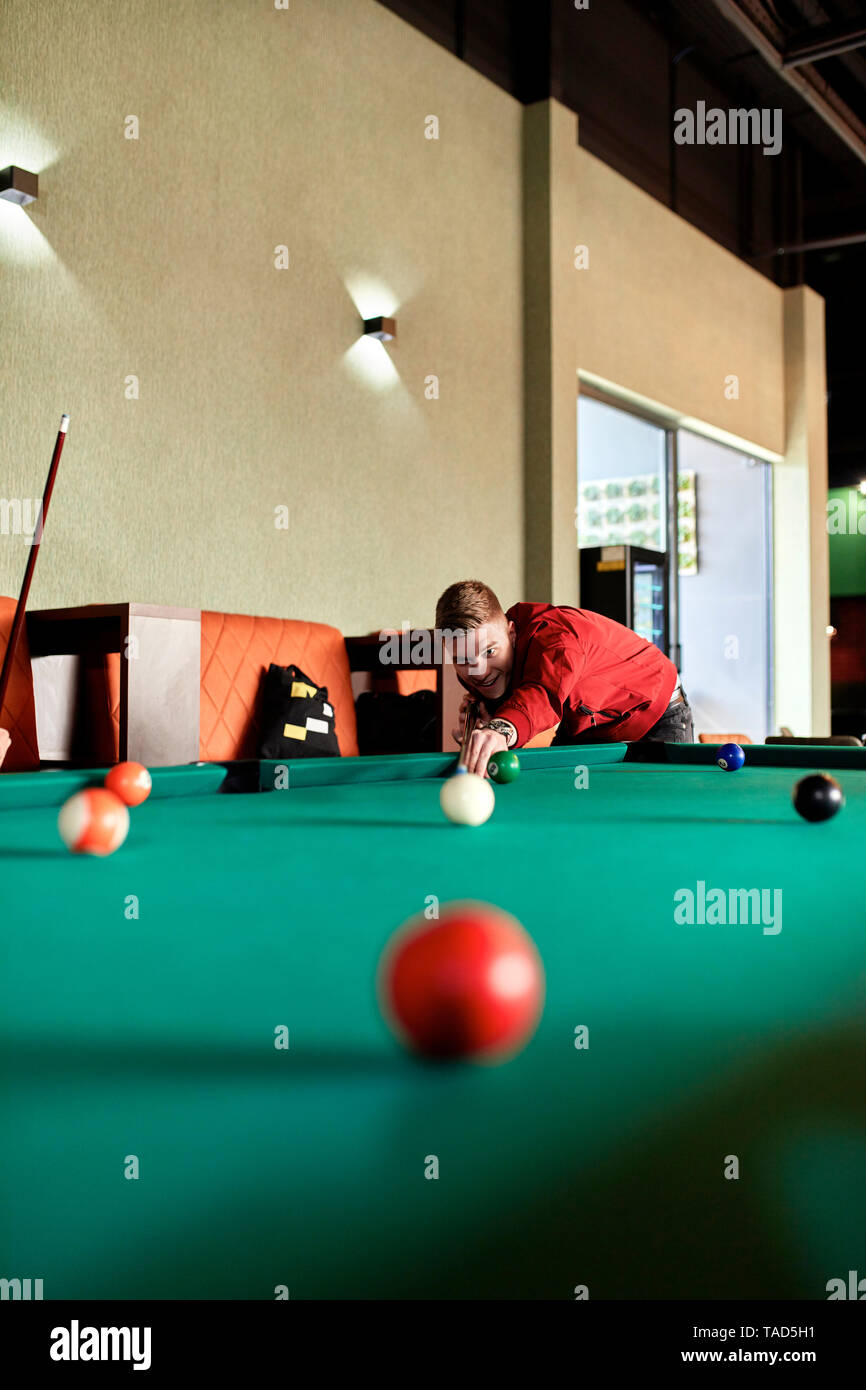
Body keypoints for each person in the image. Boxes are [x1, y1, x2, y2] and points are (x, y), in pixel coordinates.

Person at [436, 579, 693, 777]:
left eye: (490, 652)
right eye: (463, 660)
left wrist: (499, 730)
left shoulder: (555, 640)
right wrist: (489, 719)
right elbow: (513, 701)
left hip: (656, 714)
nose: (479, 671)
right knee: (560, 797)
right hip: (587, 726)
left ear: (512, 634)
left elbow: (542, 694)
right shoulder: (479, 664)